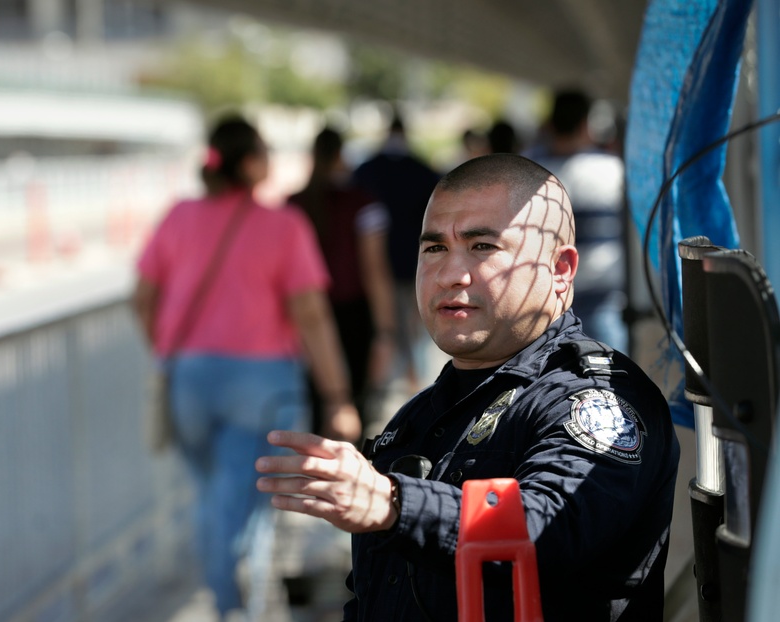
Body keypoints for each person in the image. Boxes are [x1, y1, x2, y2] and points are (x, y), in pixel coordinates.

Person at [256, 154, 680, 620]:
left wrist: (394, 504)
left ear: (560, 270)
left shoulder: (595, 400)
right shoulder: (415, 419)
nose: (451, 273)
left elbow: (547, 528)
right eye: (434, 248)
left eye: (482, 247)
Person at [133, 115, 360, 621]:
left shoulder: (178, 216)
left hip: (187, 381)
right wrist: (338, 394)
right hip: (261, 386)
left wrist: (168, 350)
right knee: (249, 506)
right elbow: (311, 314)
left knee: (215, 496)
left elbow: (143, 296)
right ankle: (234, 605)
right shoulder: (282, 226)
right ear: (253, 162)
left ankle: (230, 597)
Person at [288, 127, 397, 435]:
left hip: (300, 314)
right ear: (340, 155)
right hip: (353, 316)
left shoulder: (292, 204)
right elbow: (375, 271)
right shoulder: (364, 204)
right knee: (352, 407)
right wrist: (386, 331)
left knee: (312, 403)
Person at [527, 88, 629, 352]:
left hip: (545, 301)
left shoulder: (528, 172)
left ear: (550, 125)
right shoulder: (613, 170)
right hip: (604, 297)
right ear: (586, 125)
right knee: (611, 377)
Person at [352, 112, 441, 392]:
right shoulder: (424, 171)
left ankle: (382, 386)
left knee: (384, 329)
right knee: (415, 329)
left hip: (371, 266)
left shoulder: (365, 170)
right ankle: (417, 384)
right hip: (414, 263)